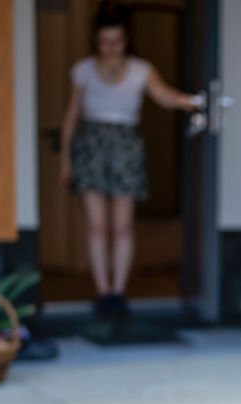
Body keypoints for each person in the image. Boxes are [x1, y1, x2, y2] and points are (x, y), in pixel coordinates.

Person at [59, 2, 198, 317]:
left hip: (126, 146)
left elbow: (163, 95)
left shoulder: (141, 70)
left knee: (122, 226)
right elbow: (71, 116)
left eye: (116, 41)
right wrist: (65, 160)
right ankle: (102, 291)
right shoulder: (83, 70)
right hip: (91, 146)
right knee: (97, 225)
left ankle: (118, 292)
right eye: (105, 41)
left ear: (126, 39)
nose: (111, 47)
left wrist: (188, 101)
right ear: (96, 40)